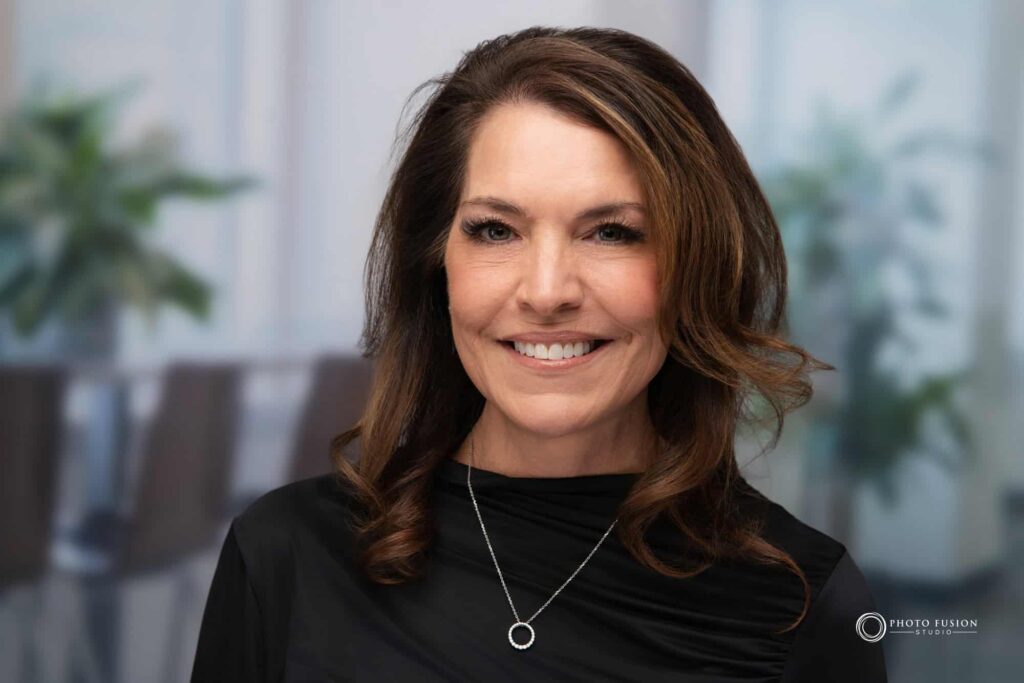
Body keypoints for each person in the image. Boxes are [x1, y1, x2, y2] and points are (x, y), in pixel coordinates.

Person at [192, 26, 888, 682]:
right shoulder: (286, 555)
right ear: (437, 265)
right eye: (496, 230)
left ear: (695, 268)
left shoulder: (802, 602)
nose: (547, 291)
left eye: (612, 232)